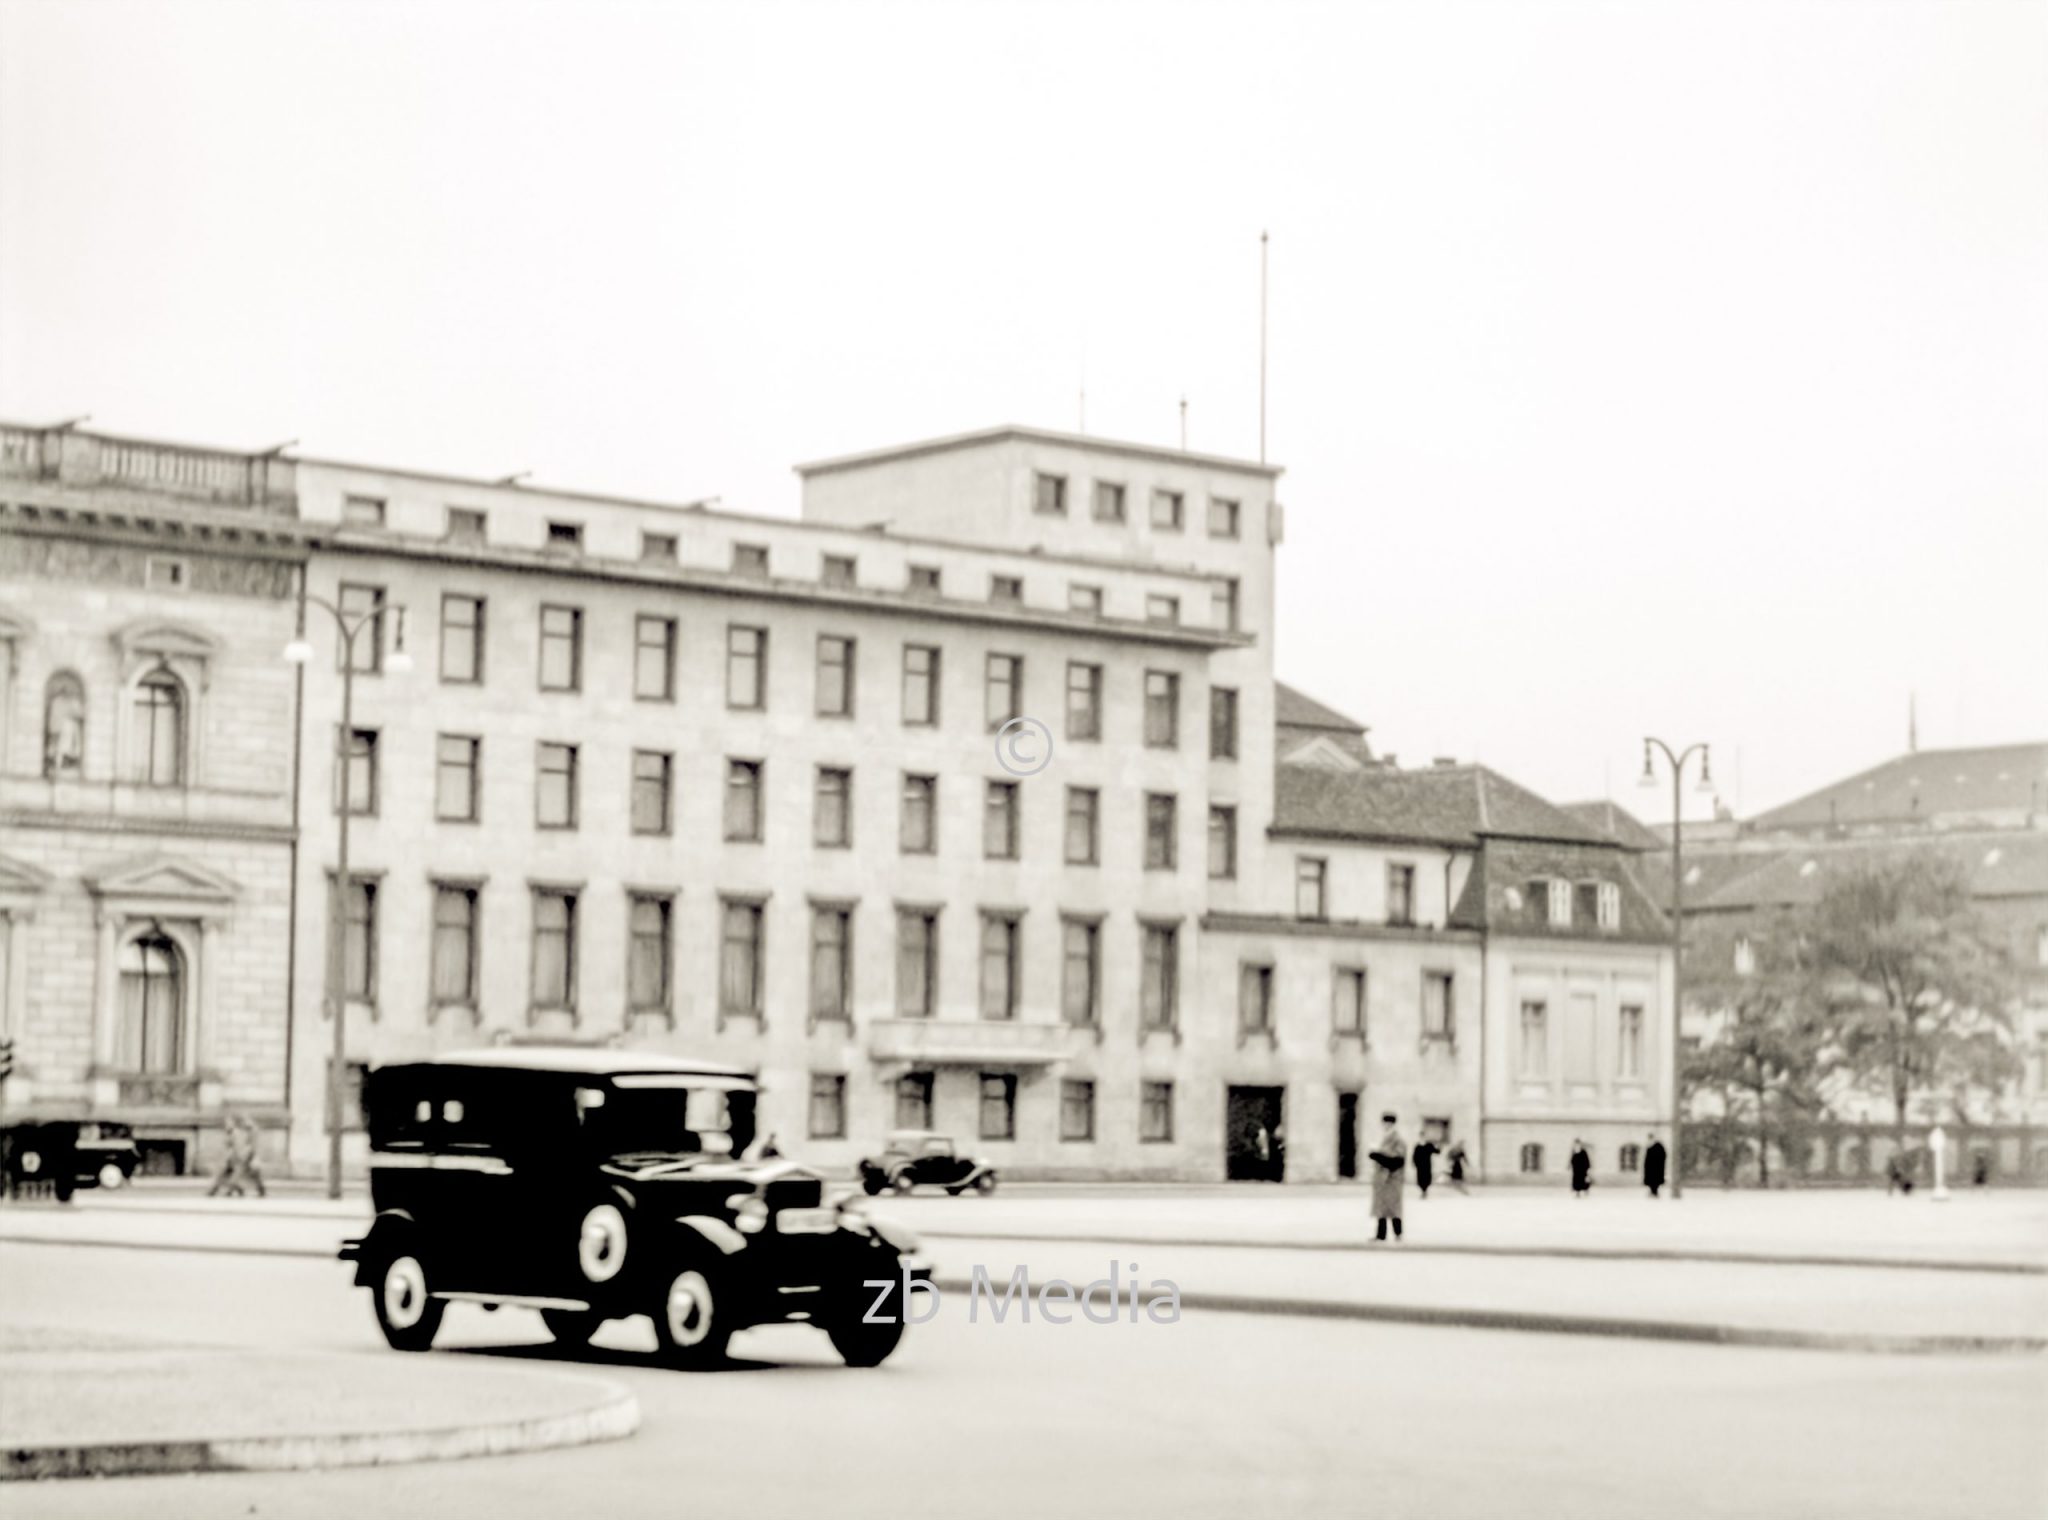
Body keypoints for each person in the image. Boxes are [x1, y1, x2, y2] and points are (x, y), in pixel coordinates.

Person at [1367, 1113, 1406, 1241]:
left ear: (1393, 1124)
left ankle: (1398, 1233)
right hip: (1383, 1179)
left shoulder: (1398, 1140)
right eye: (1385, 1123)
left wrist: (1378, 1155)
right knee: (1381, 1208)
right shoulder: (1385, 1138)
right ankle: (1380, 1234)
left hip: (1392, 1178)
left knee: (1393, 1207)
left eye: (1388, 1123)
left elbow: (1398, 1160)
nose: (1386, 1126)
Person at [1411, 1135, 1438, 1199]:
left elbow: (1437, 1151)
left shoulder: (1429, 1145)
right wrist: (1414, 1163)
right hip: (1420, 1166)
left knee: (1427, 1179)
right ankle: (1423, 1192)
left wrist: (1438, 1146)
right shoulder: (1417, 1146)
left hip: (1427, 1166)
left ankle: (1425, 1191)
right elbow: (1414, 1156)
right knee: (1420, 1179)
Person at [1643, 1133, 1668, 1198]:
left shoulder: (1657, 1146)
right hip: (1652, 1168)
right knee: (1652, 1181)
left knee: (1654, 1181)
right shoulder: (1652, 1145)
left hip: (1655, 1168)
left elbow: (1662, 1156)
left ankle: (1654, 1192)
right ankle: (1653, 1192)